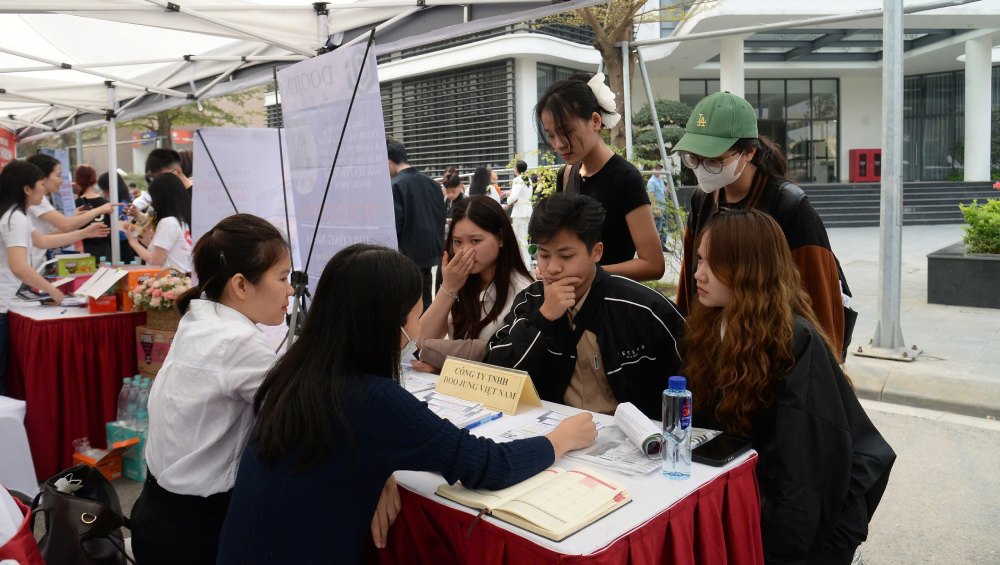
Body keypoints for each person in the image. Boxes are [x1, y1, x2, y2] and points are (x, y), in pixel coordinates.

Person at [217, 243, 597, 563]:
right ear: (388, 322)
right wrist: (559, 440)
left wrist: (381, 470)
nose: (418, 325)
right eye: (417, 312)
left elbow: (333, 455)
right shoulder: (372, 398)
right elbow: (485, 465)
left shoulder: (295, 372)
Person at [683, 209, 895, 564]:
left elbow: (805, 472)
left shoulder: (794, 341)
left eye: (712, 263)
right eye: (700, 259)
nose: (697, 274)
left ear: (748, 269)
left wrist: (777, 550)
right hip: (751, 501)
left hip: (807, 523)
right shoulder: (711, 327)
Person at [129, 214, 293, 563]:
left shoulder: (199, 320)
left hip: (157, 511)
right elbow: (303, 410)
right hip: (195, 529)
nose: (291, 289)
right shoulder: (235, 341)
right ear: (241, 285)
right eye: (283, 278)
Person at [672, 91, 851, 357]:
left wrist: (823, 365)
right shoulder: (703, 200)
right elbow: (690, 281)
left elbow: (820, 298)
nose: (701, 169)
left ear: (748, 152)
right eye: (693, 159)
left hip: (775, 352)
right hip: (714, 349)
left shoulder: (789, 205)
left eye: (713, 160)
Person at [485, 193, 684, 420]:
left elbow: (694, 375)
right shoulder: (530, 302)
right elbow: (496, 376)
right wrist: (543, 318)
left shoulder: (643, 307)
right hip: (558, 434)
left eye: (566, 256)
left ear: (596, 252)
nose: (552, 268)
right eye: (543, 254)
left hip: (636, 440)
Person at [537, 72, 664, 282]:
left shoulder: (625, 178)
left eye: (566, 130)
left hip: (611, 304)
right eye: (551, 135)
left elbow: (653, 265)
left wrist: (591, 273)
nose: (558, 144)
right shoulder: (567, 175)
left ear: (595, 121)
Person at [0, 161, 104, 393]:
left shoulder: (14, 214)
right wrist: (52, 290)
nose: (44, 189)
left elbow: (42, 241)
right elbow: (18, 266)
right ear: (27, 189)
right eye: (40, 184)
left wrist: (85, 232)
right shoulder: (15, 218)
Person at [413, 196, 532, 373]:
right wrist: (449, 288)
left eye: (475, 241)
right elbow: (418, 341)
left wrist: (445, 369)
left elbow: (508, 362)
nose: (464, 251)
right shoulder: (460, 280)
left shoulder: (523, 292)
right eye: (457, 242)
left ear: (501, 238)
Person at [387, 137, 446, 310]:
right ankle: (425, 337)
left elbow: (394, 225)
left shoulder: (395, 186)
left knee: (407, 307)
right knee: (425, 302)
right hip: (430, 255)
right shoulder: (433, 184)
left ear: (389, 161)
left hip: (405, 258)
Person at [25, 154, 113, 268]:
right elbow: (66, 226)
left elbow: (46, 236)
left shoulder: (41, 200)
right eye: (58, 175)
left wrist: (78, 225)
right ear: (42, 177)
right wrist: (99, 210)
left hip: (35, 264)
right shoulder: (37, 201)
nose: (61, 181)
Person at [124, 174, 193, 273]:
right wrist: (148, 240)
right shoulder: (180, 220)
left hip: (170, 280)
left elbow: (155, 260)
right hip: (178, 279)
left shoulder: (168, 222)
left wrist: (133, 242)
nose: (152, 202)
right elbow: (166, 252)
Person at [132, 148, 193, 213]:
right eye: (155, 178)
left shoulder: (196, 195)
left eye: (164, 176)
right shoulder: (169, 194)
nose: (160, 182)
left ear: (179, 171)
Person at [73, 165, 112, 261]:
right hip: (104, 252)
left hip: (81, 253)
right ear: (95, 179)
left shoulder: (75, 205)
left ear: (77, 180)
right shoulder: (106, 204)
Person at [98, 171, 137, 264]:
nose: (104, 193)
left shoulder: (120, 205)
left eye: (104, 189)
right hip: (121, 246)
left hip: (122, 247)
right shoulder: (124, 200)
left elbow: (121, 233)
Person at [507, 159, 534, 268]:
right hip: (527, 211)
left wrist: (508, 200)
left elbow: (514, 196)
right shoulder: (528, 179)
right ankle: (525, 264)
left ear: (517, 169)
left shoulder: (518, 179)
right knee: (523, 239)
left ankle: (525, 265)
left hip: (520, 213)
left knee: (520, 240)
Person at [646, 163, 669, 251]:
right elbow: (651, 195)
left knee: (664, 228)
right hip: (657, 209)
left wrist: (669, 184)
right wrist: (655, 208)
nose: (659, 170)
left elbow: (665, 193)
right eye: (656, 168)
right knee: (657, 228)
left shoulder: (661, 180)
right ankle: (655, 248)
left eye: (660, 169)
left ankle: (663, 246)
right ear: (652, 170)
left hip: (664, 207)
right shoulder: (651, 181)